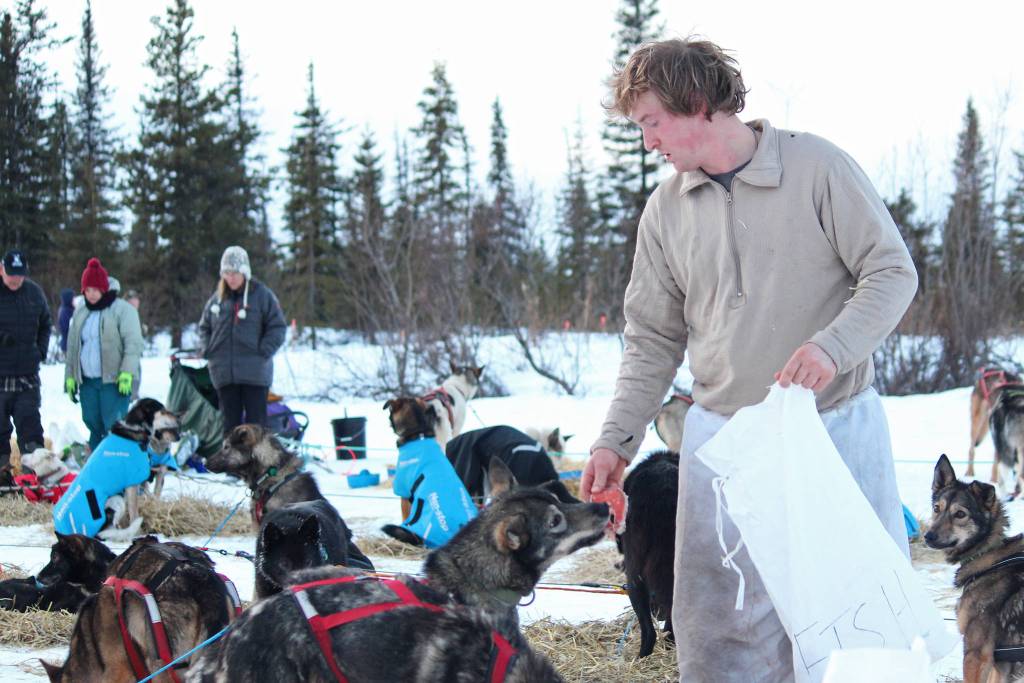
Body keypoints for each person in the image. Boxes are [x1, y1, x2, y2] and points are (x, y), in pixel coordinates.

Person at [582, 38, 918, 683]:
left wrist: (832, 345)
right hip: (723, 440)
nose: (647, 141)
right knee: (721, 629)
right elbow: (651, 338)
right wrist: (615, 443)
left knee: (852, 620)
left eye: (652, 122)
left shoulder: (818, 168)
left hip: (833, 429)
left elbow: (891, 272)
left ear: (698, 103)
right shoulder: (666, 209)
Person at [198, 246, 286, 435]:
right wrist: (208, 349)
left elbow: (278, 327)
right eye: (227, 273)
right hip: (224, 374)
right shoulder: (216, 300)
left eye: (235, 273)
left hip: (255, 374)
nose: (231, 278)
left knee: (256, 428)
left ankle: (258, 463)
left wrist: (264, 351)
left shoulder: (262, 295)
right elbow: (204, 327)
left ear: (244, 272)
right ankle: (232, 464)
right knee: (230, 428)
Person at [65, 258, 144, 451]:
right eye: (87, 290)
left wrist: (127, 373)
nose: (91, 294)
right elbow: (73, 347)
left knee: (114, 426)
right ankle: (96, 466)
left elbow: (133, 345)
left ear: (104, 288)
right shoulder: (81, 312)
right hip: (88, 383)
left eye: (95, 289)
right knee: (93, 424)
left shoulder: (123, 310)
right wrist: (70, 376)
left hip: (114, 382)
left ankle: (117, 464)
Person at [0, 250, 51, 469]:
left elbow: (46, 324)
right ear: (2, 270)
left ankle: (34, 478)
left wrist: (40, 351)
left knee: (31, 429)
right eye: (12, 274)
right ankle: (3, 480)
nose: (16, 279)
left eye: (20, 274)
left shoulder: (34, 293)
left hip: (27, 377)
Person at [57, 287, 75, 355]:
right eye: (73, 298)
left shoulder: (69, 309)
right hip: (68, 344)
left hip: (69, 344)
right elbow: (66, 329)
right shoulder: (65, 312)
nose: (74, 299)